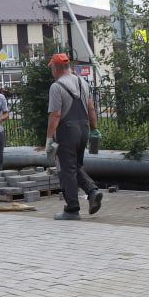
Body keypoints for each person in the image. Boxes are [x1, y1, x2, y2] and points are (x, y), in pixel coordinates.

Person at [42, 53, 102, 220]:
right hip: (83, 129)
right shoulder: (82, 82)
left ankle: (72, 209)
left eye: (51, 68)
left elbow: (55, 115)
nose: (51, 72)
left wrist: (49, 139)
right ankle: (92, 192)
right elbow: (90, 109)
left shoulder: (56, 86)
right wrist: (94, 129)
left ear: (55, 68)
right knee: (75, 165)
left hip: (67, 132)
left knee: (66, 170)